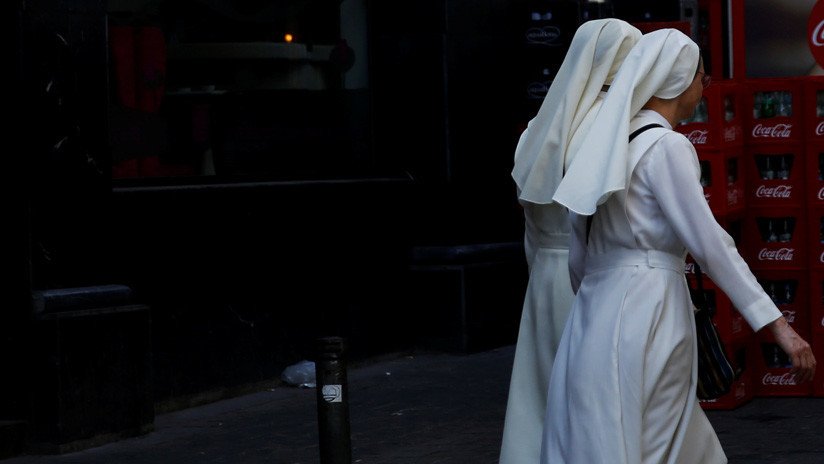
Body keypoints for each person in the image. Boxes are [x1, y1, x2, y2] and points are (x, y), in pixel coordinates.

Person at [542, 28, 816, 463]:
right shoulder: (667, 146)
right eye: (701, 79)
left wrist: (600, 299)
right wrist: (778, 326)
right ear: (678, 81)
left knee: (605, 434)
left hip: (593, 312)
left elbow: (580, 252)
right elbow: (711, 244)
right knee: (661, 435)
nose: (704, 90)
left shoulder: (603, 146)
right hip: (651, 306)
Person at [500, 18, 642, 464]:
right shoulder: (615, 130)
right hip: (593, 277)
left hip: (544, 274)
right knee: (592, 402)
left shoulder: (535, 130)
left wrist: (540, 267)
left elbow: (528, 219)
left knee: (537, 395)